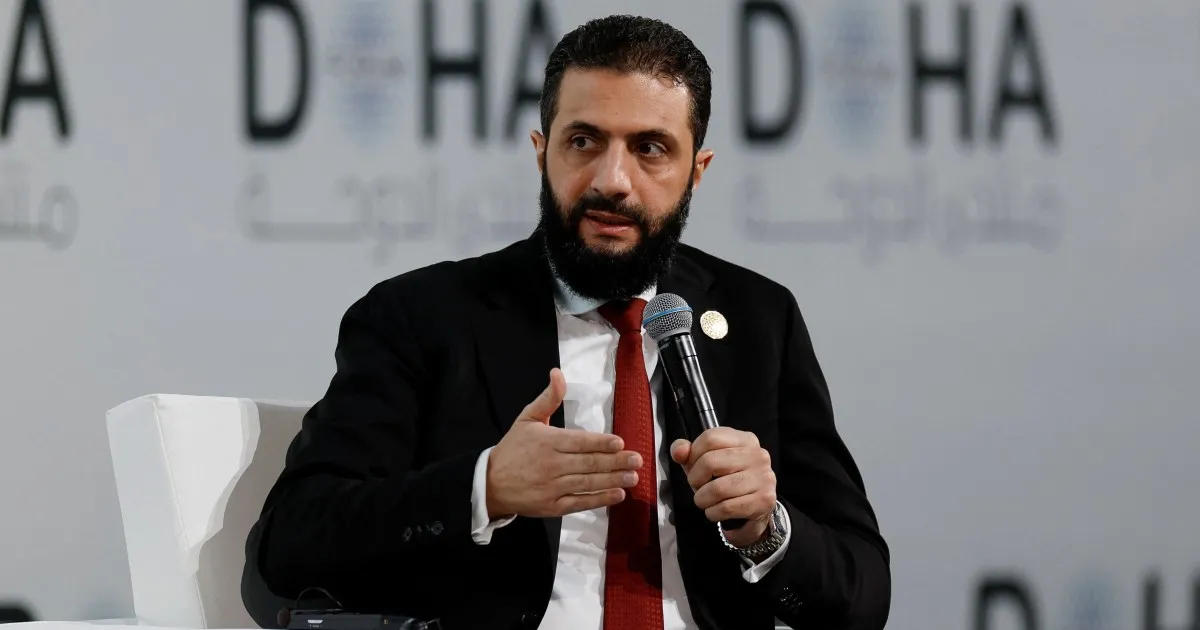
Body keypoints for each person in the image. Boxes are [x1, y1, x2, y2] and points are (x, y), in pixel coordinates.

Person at [243, 14, 890, 630]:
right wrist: (484, 487)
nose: (613, 180)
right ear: (541, 151)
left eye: (651, 149)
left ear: (697, 171)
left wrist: (765, 528)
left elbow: (862, 598)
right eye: (584, 141)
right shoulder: (423, 317)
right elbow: (289, 543)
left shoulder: (759, 319)